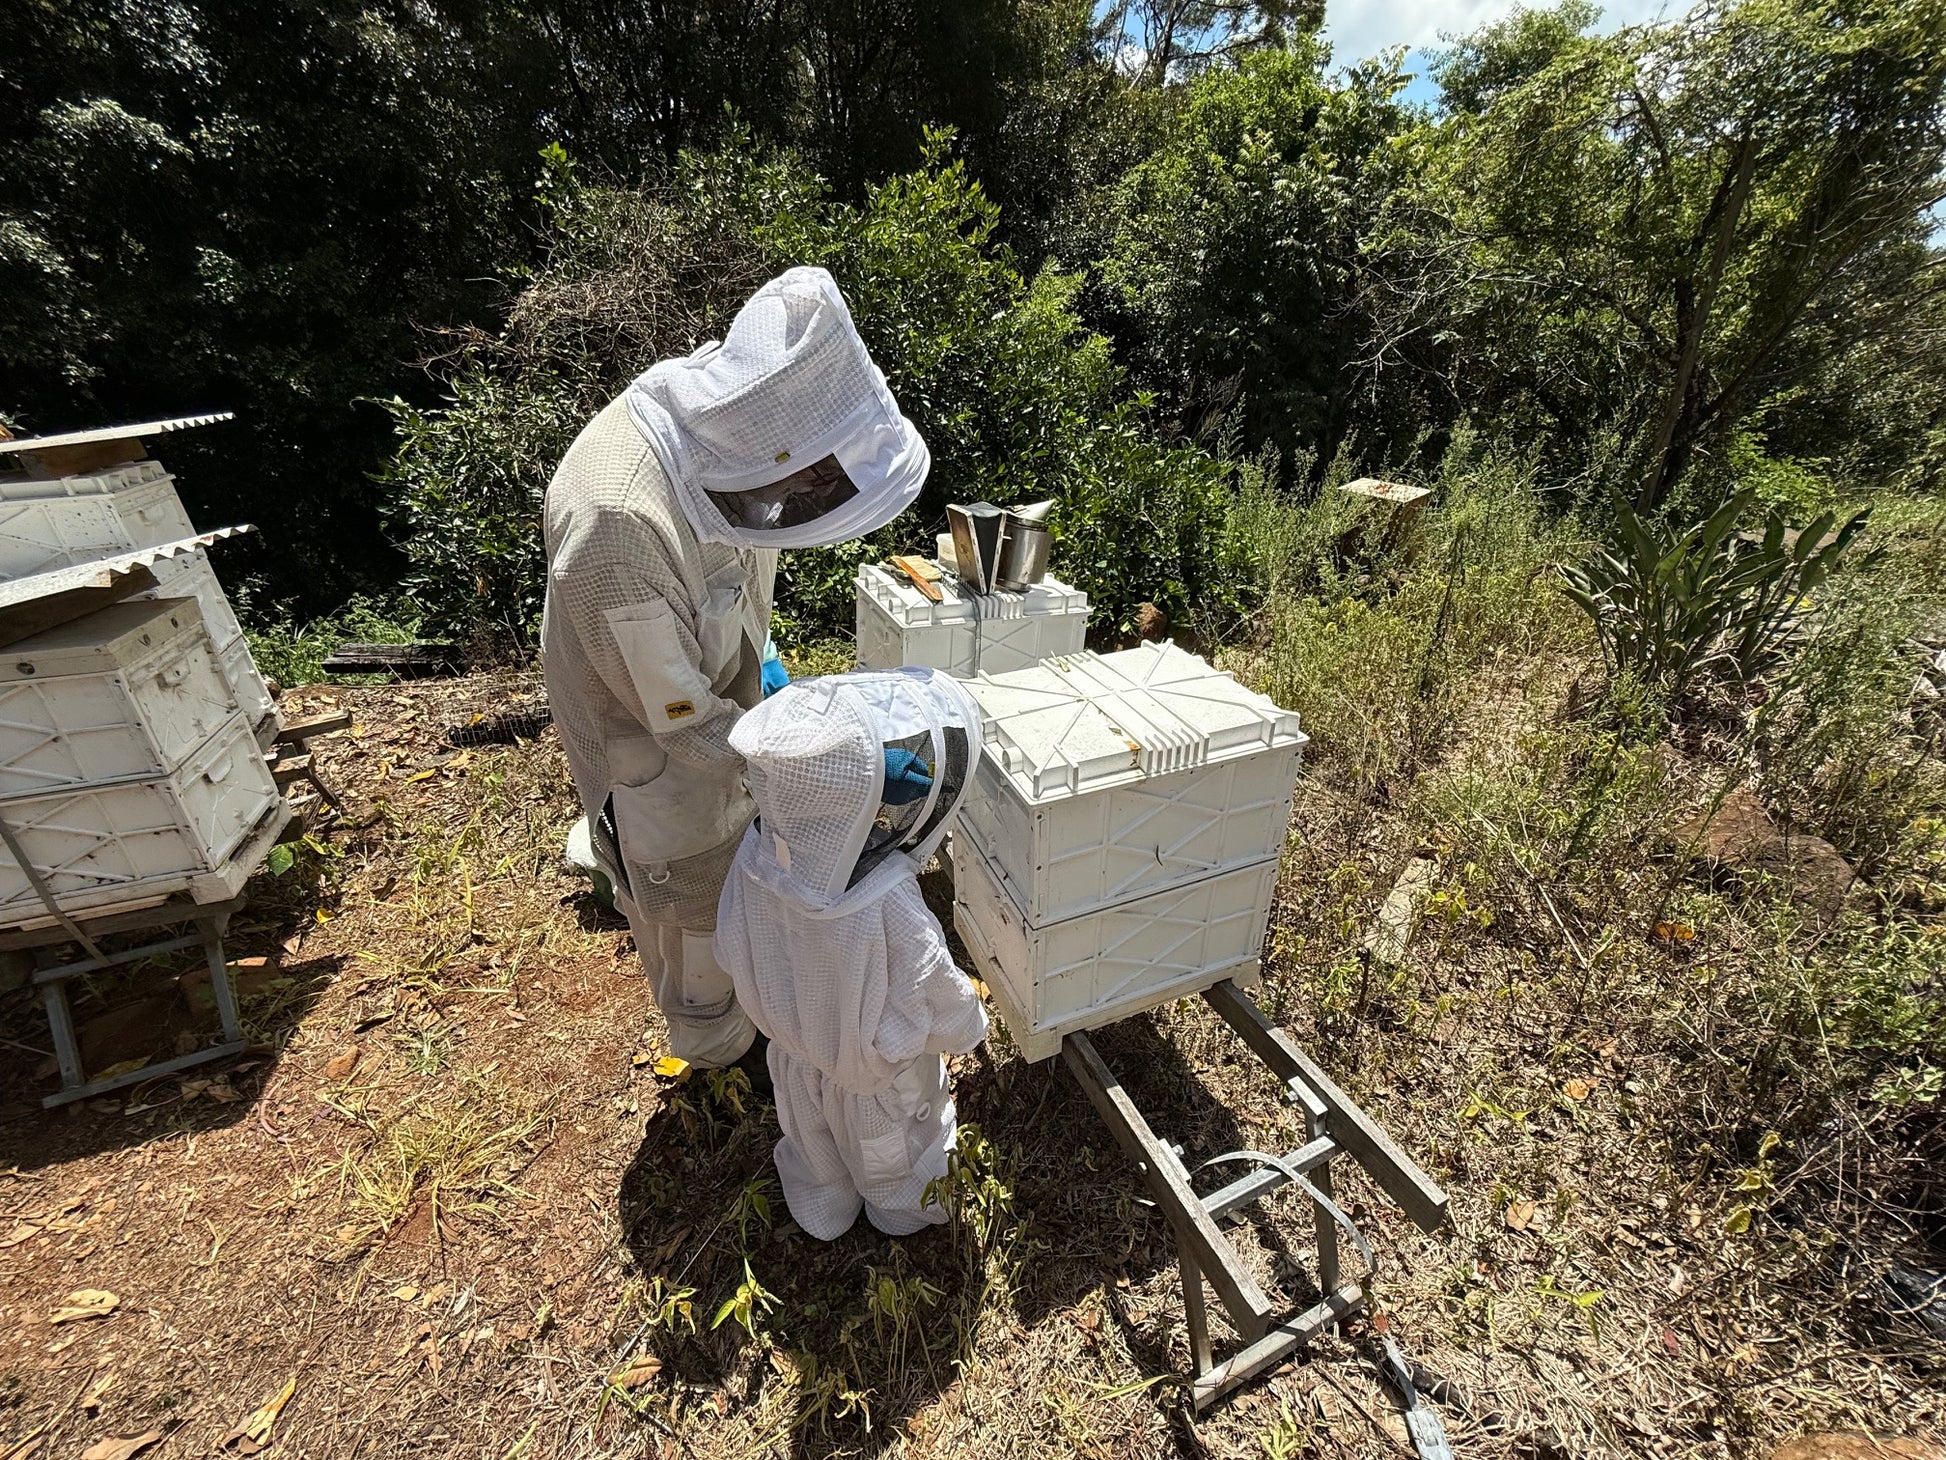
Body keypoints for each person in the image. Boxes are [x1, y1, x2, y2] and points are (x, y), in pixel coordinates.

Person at [541, 267, 930, 1072]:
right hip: (646, 739)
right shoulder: (617, 524)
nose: (821, 490)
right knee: (684, 895)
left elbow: (737, 583)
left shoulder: (727, 433)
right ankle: (715, 1052)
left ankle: (755, 995)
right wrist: (831, 767)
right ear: (769, 445)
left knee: (741, 863)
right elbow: (677, 718)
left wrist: (772, 675)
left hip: (704, 699)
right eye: (817, 475)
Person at [714, 667, 989, 1238]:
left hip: (792, 1056)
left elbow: (730, 947)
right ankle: (900, 1214)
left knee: (812, 1142)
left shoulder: (757, 856)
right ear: (857, 797)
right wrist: (969, 1022)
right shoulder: (882, 896)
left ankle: (823, 1209)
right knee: (893, 1160)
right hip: (876, 1082)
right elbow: (930, 981)